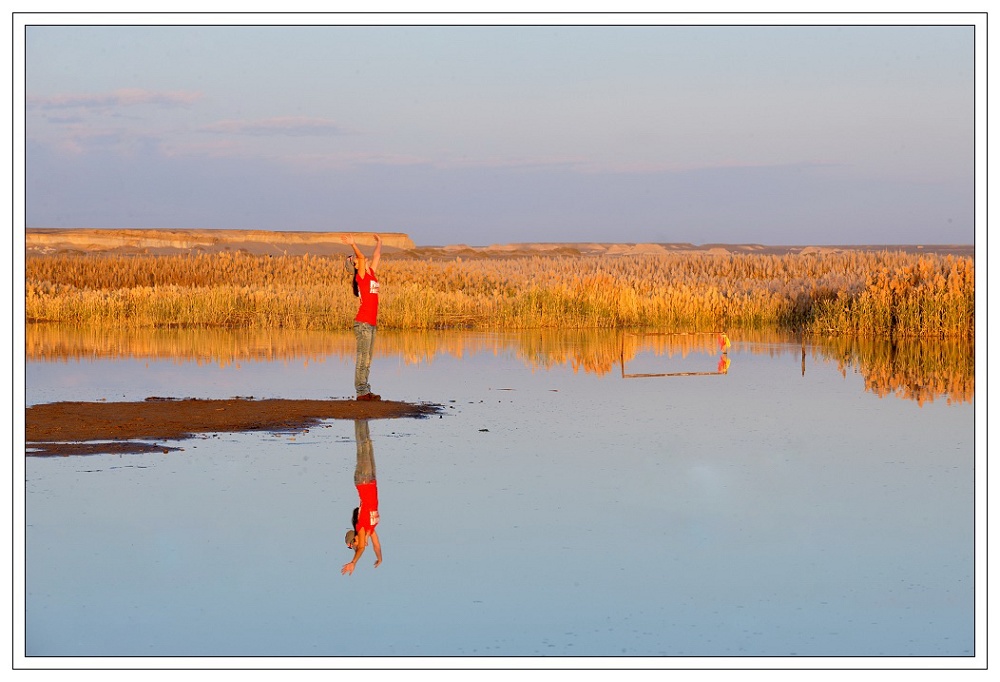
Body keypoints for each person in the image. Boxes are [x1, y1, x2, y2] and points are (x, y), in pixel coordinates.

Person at [341, 233, 382, 401]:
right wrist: (353, 244)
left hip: (371, 323)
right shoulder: (361, 276)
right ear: (355, 266)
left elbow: (376, 256)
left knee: (367, 360)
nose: (357, 259)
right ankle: (361, 392)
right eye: (354, 259)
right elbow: (363, 257)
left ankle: (365, 389)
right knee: (362, 358)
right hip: (363, 323)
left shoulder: (371, 273)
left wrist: (380, 242)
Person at [342, 419, 382, 575]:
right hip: (371, 480)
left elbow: (362, 548)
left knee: (362, 444)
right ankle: (363, 416)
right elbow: (376, 546)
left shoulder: (362, 527)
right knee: (368, 443)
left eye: (356, 543)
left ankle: (359, 416)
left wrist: (353, 562)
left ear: (356, 537)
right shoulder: (371, 530)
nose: (360, 545)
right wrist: (380, 558)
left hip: (363, 480)